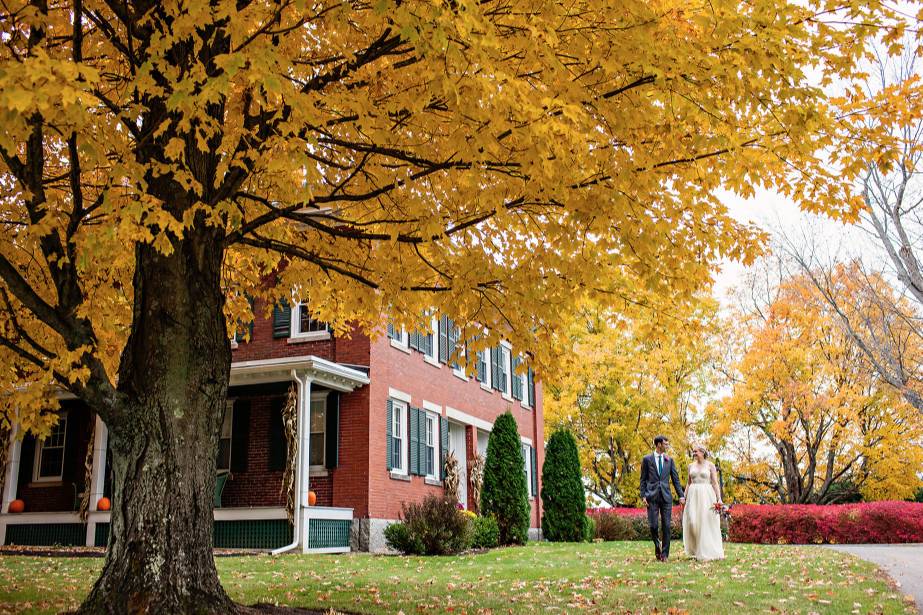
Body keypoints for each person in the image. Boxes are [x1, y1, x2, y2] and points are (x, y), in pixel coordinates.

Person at [639, 435, 684, 561]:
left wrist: (681, 495)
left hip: (666, 497)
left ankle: (664, 555)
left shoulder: (669, 460)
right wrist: (643, 495)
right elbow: (643, 479)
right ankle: (657, 544)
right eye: (665, 444)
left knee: (666, 526)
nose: (667, 446)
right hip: (651, 496)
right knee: (653, 526)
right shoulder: (647, 459)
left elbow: (675, 479)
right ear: (658, 444)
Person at [682, 444, 725, 561]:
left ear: (702, 452)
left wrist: (719, 498)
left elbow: (715, 483)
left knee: (705, 523)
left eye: (696, 451)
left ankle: (706, 550)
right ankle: (695, 549)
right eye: (693, 452)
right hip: (692, 495)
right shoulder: (690, 466)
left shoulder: (710, 465)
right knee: (692, 522)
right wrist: (683, 496)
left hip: (706, 495)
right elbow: (688, 483)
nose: (694, 453)